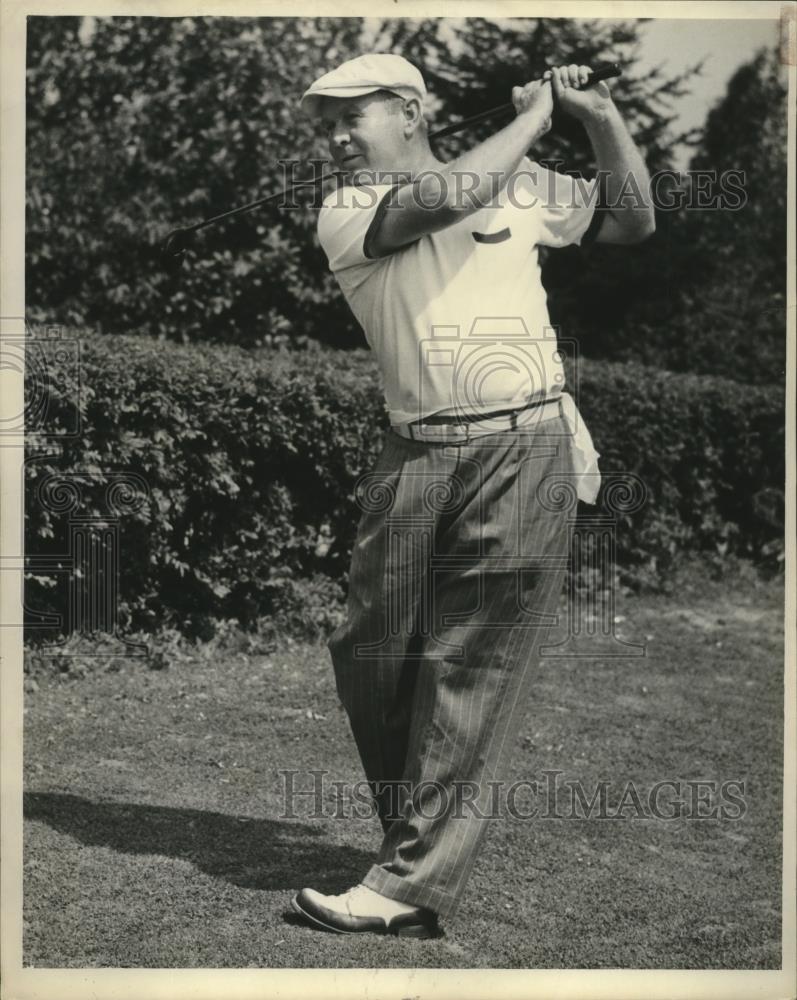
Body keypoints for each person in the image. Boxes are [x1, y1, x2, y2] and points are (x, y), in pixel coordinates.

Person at [290, 52, 654, 939]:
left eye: (355, 115)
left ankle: (409, 882)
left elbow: (633, 223)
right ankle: (415, 845)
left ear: (411, 110)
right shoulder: (347, 207)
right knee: (370, 652)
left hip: (523, 443)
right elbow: (443, 200)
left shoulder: (523, 182)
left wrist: (596, 116)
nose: (337, 135)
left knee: (467, 666)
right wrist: (536, 116)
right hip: (411, 451)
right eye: (328, 121)